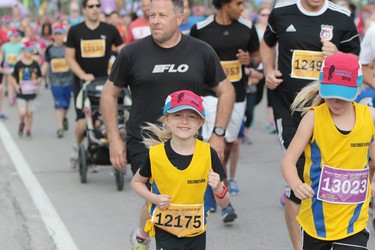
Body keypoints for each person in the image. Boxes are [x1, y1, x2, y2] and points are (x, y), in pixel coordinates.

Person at [100, 0, 235, 247]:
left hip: (187, 138)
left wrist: (217, 134)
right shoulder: (131, 52)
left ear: (179, 18)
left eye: (162, 15)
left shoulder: (201, 51)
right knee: (159, 192)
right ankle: (151, 238)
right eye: (151, 15)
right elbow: (109, 94)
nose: (154, 20)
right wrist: (114, 139)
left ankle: (143, 233)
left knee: (180, 198)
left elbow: (226, 91)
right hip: (145, 139)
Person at [260, 0, 360, 248]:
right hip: (290, 107)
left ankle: (333, 233)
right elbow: (267, 44)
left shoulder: (342, 17)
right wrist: (268, 71)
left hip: (330, 107)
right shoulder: (282, 12)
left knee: (326, 174)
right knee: (298, 178)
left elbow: (355, 59)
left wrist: (337, 53)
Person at [281, 52, 372, 250]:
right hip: (317, 220)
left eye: (343, 97)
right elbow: (288, 160)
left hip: (353, 220)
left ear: (358, 88)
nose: (336, 102)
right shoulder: (313, 118)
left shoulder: (370, 117)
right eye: (330, 95)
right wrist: (296, 184)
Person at [131, 90, 230, 249]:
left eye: (192, 116)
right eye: (177, 115)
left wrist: (218, 188)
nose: (185, 121)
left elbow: (225, 202)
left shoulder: (208, 154)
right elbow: (136, 182)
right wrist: (154, 198)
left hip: (196, 234)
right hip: (166, 231)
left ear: (200, 122)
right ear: (166, 119)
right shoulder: (156, 154)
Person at [190, 0, 260, 221]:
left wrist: (250, 60)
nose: (243, 7)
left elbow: (257, 57)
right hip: (209, 95)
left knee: (228, 142)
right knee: (215, 142)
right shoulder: (201, 29)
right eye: (239, 3)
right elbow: (191, 60)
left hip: (237, 95)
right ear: (224, 3)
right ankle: (217, 198)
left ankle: (217, 182)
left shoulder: (247, 28)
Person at [65, 0, 123, 168]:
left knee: (110, 117)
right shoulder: (75, 31)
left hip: (107, 83)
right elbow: (69, 57)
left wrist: (119, 70)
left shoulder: (110, 30)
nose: (95, 9)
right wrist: (83, 75)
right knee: (83, 124)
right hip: (84, 84)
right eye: (91, 6)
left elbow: (123, 51)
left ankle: (104, 149)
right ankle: (78, 146)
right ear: (84, 9)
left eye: (98, 6)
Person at [42, 24, 73, 138]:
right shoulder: (50, 49)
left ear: (64, 35)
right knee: (59, 104)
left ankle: (64, 117)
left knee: (66, 104)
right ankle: (60, 128)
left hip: (69, 81)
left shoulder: (68, 48)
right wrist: (41, 74)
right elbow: (46, 63)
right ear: (53, 36)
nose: (58, 36)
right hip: (55, 82)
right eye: (56, 34)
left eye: (60, 34)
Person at [9, 41, 42, 137]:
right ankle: (22, 123)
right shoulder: (19, 64)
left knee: (30, 113)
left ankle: (28, 129)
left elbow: (40, 76)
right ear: (24, 52)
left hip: (32, 92)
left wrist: (37, 81)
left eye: (32, 51)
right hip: (21, 92)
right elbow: (13, 77)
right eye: (29, 51)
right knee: (22, 112)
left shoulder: (35, 64)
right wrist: (15, 85)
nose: (30, 53)